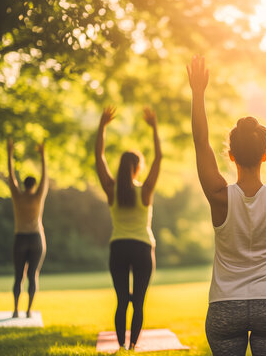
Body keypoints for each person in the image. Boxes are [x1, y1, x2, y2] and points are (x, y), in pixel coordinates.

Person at [187, 55, 266, 356]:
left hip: (224, 306)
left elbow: (201, 143)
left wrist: (198, 93)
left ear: (230, 156)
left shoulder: (219, 196)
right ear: (265, 155)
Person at [95, 106, 162, 351]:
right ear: (137, 167)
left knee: (122, 301)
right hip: (143, 248)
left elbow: (99, 158)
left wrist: (102, 126)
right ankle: (133, 346)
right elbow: (159, 159)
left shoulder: (112, 189)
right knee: (139, 302)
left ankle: (121, 346)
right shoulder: (144, 191)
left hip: (119, 247)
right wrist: (154, 128)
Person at [7, 138, 48, 318]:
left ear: (24, 185)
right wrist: (43, 155)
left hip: (21, 237)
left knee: (19, 276)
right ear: (34, 185)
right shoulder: (38, 196)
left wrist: (10, 153)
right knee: (33, 275)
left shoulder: (18, 196)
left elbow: (11, 176)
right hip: (36, 238)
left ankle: (16, 310)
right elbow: (45, 178)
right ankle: (29, 311)